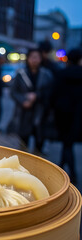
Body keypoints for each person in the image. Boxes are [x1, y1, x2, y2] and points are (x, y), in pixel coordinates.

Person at [8, 49, 53, 153]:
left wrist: (37, 96)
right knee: (23, 142)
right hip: (24, 112)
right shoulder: (21, 74)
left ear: (41, 59)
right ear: (28, 59)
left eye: (37, 57)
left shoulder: (46, 74)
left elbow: (50, 92)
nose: (34, 60)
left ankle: (38, 161)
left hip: (40, 112)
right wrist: (23, 100)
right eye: (32, 57)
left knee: (39, 139)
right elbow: (13, 92)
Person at [53, 48, 82, 183]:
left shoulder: (61, 74)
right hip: (78, 115)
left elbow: (54, 94)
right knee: (68, 143)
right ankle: (63, 168)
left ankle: (71, 174)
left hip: (63, 114)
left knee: (67, 143)